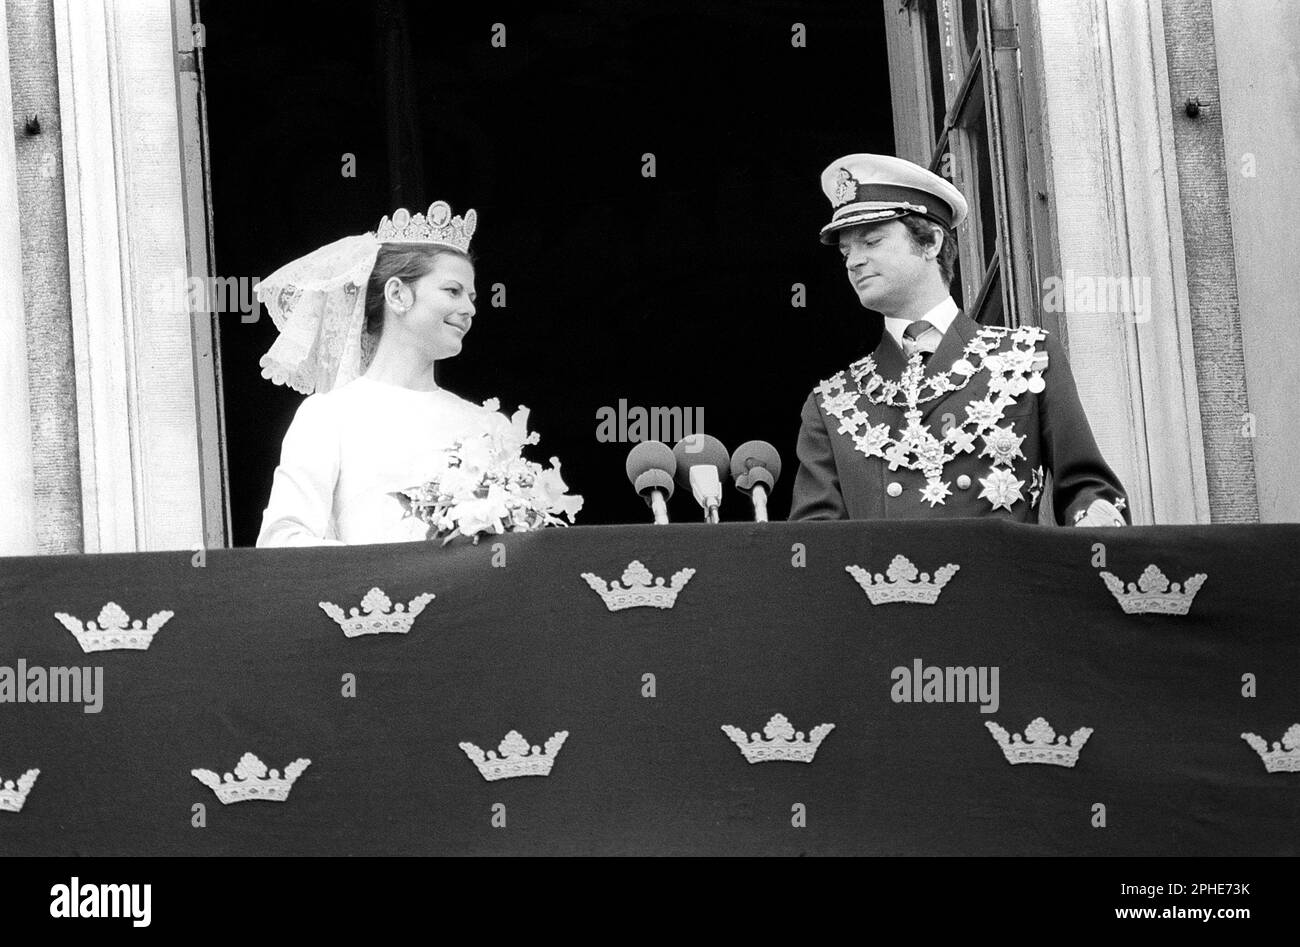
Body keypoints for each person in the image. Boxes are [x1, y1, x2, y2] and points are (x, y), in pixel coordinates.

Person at [789, 154, 1129, 525]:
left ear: (932, 241)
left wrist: (1095, 516)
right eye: (845, 251)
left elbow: (1087, 488)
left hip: (1001, 581)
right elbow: (814, 547)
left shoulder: (1028, 358)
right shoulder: (834, 403)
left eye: (871, 242)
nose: (853, 261)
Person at [256, 201, 514, 546]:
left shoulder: (489, 425)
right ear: (397, 294)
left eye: (471, 296)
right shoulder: (328, 416)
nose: (468, 308)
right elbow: (281, 539)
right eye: (452, 291)